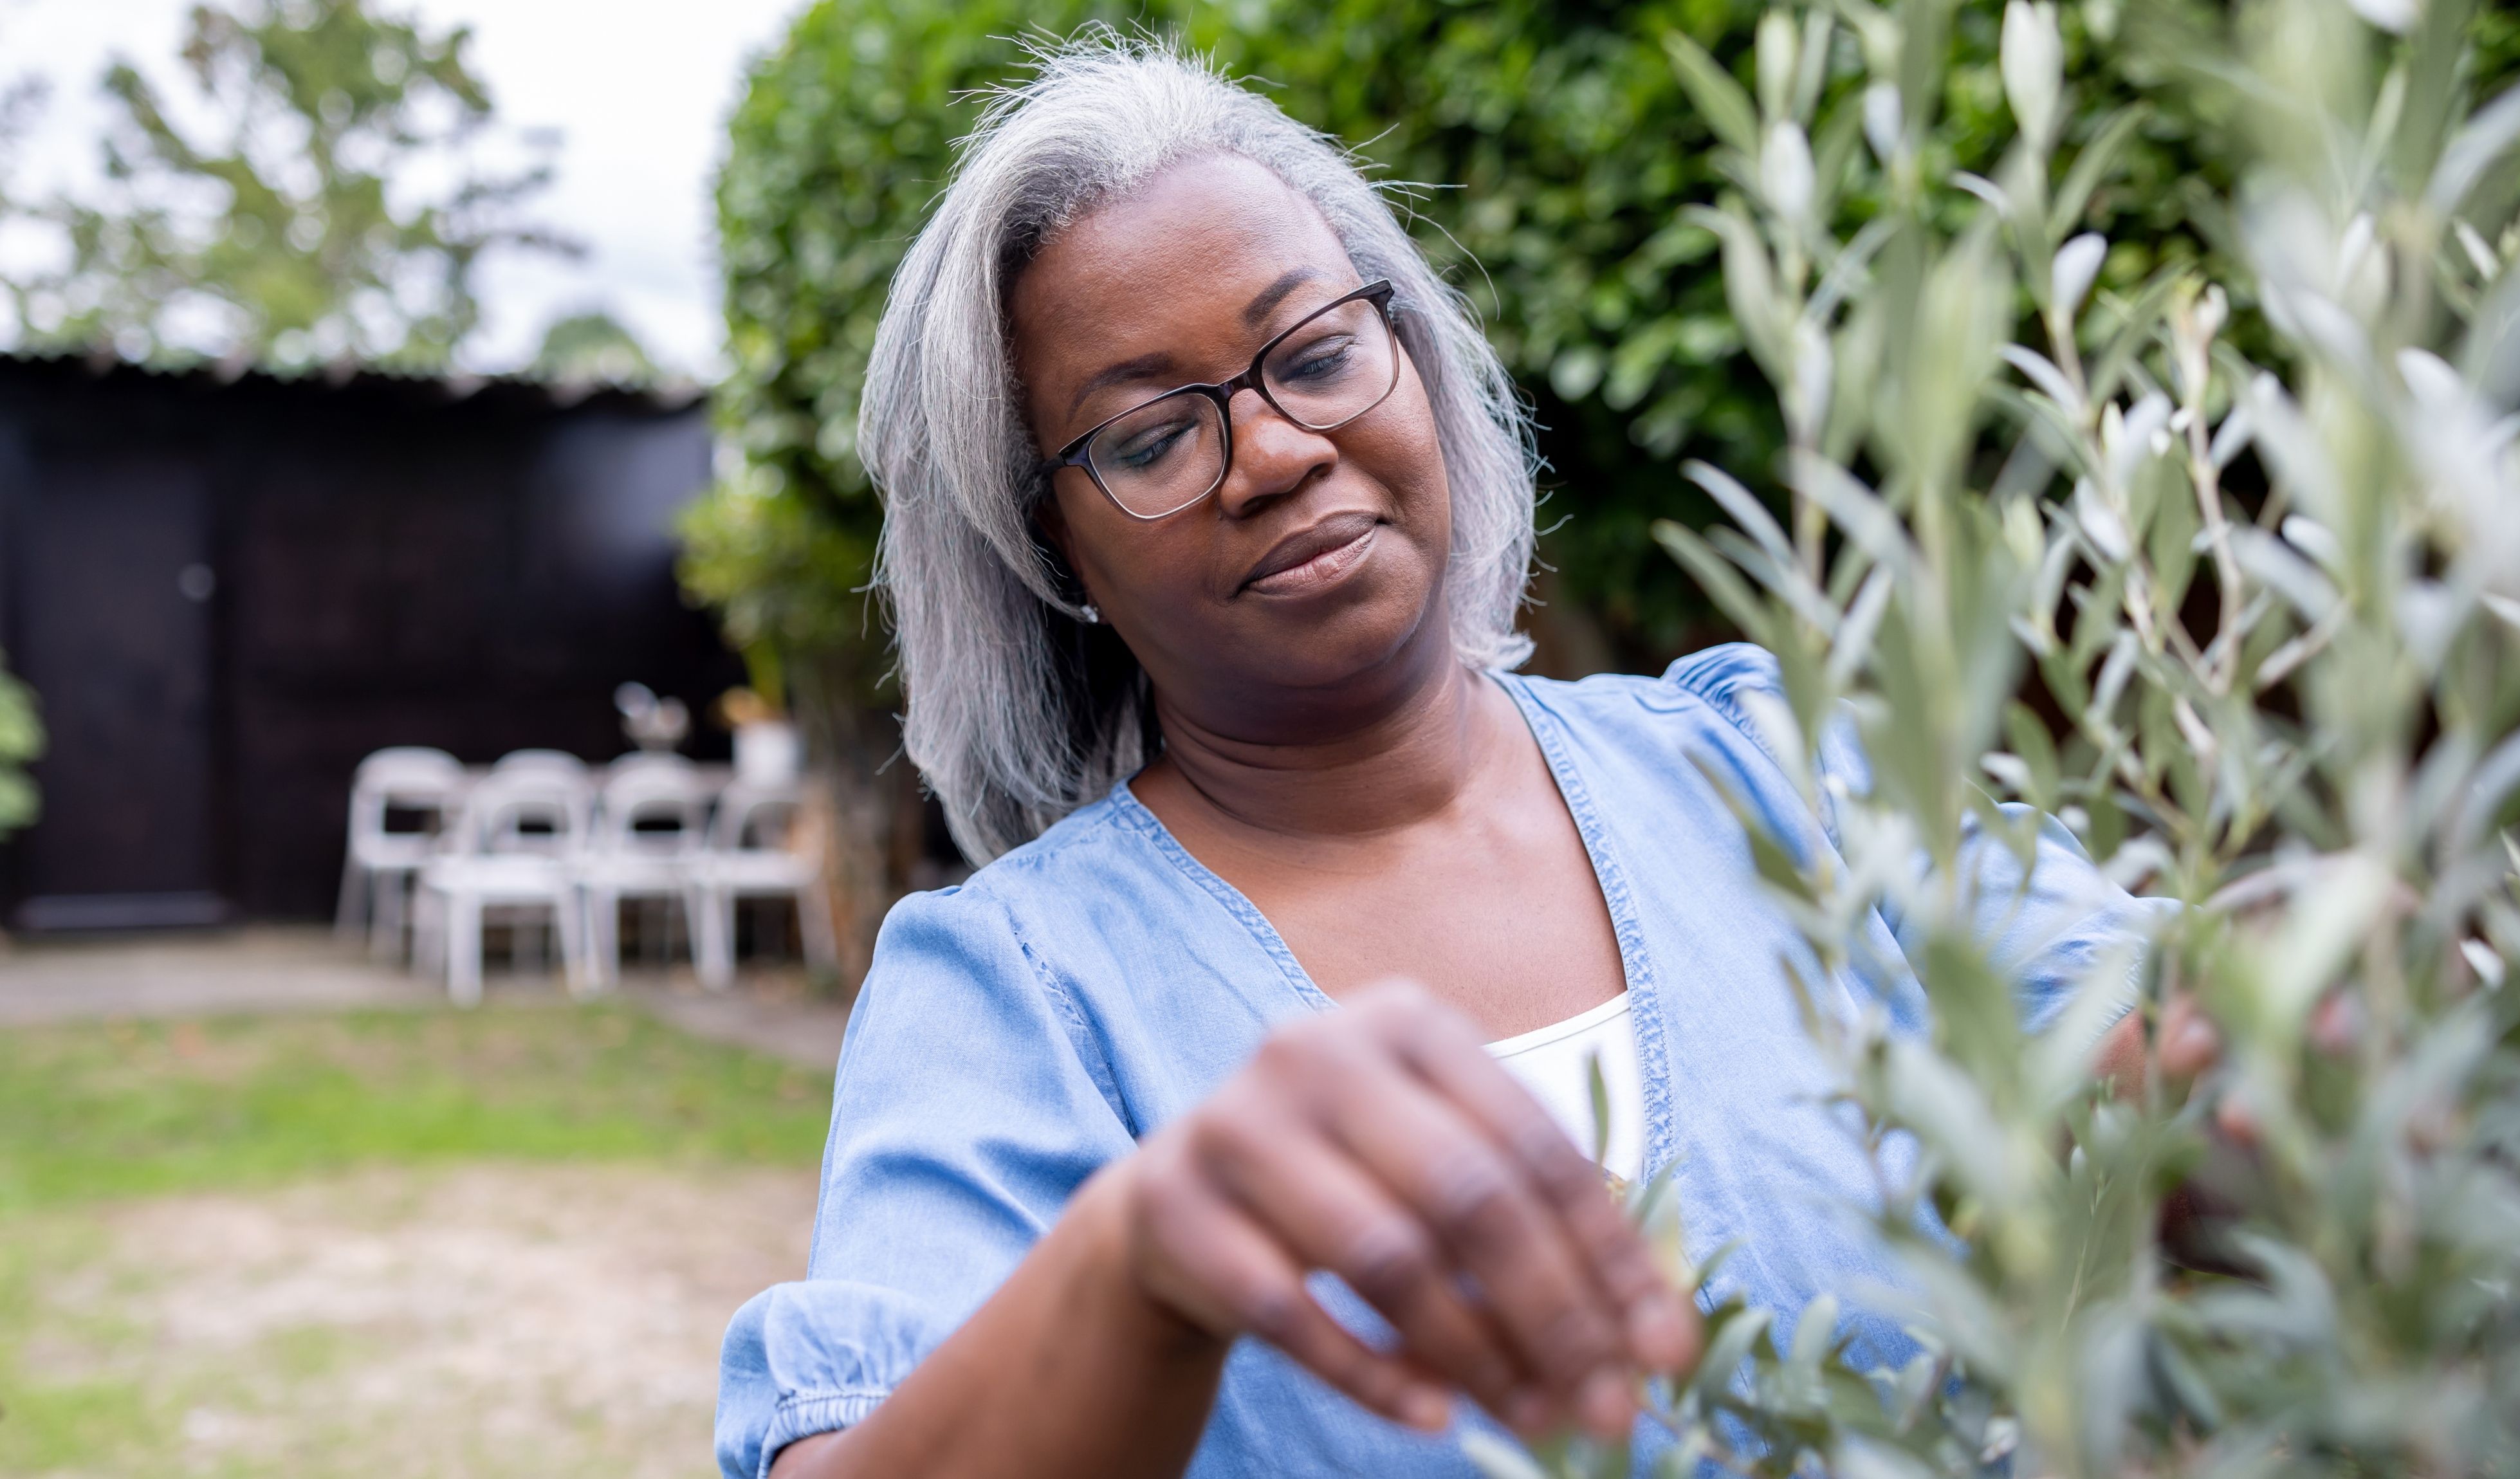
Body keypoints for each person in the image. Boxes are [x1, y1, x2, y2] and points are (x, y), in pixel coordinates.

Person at [716, 37, 2154, 1479]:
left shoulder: (1775, 772)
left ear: (1413, 355)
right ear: (1054, 554)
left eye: (1321, 354)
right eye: (1152, 436)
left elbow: (2188, 1087)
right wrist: (1139, 1263)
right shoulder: (1018, 994)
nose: (1277, 451)